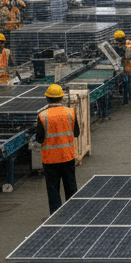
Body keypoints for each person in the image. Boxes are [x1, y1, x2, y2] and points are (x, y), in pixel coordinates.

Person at [34, 83, 79, 214]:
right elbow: (76, 133)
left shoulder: (43, 116)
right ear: (62, 98)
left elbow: (39, 139)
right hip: (67, 156)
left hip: (50, 159)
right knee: (71, 187)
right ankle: (74, 213)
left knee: (53, 190)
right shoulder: (70, 113)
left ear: (47, 98)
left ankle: (56, 216)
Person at [114, 29, 131, 103]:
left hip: (128, 66)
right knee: (130, 82)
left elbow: (127, 56)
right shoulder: (129, 42)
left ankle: (127, 99)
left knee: (127, 83)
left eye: (117, 41)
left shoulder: (127, 45)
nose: (117, 43)